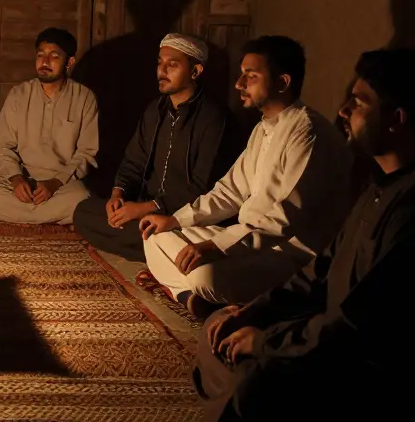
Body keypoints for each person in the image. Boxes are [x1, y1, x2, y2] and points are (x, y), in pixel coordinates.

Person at [193, 49, 415, 422]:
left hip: (368, 369)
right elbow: (321, 270)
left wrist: (266, 342)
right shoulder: (379, 185)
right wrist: (258, 310)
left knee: (254, 376)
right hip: (327, 338)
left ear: (397, 120)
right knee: (219, 328)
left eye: (358, 102)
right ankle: (251, 408)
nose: (342, 110)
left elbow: (359, 326)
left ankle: (259, 413)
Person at [140, 36, 351, 318]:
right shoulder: (263, 129)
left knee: (206, 275)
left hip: (285, 254)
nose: (239, 84)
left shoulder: (307, 132)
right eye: (241, 75)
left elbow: (283, 219)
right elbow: (231, 191)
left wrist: (215, 246)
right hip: (246, 240)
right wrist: (175, 220)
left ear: (282, 82)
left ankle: (192, 291)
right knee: (156, 236)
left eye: (250, 76)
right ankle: (191, 298)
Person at [74, 33, 240, 260]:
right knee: (83, 212)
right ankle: (161, 249)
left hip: (183, 216)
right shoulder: (154, 111)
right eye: (160, 63)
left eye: (172, 64)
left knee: (169, 231)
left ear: (195, 71)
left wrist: (145, 209)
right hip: (145, 210)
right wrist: (117, 195)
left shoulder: (214, 118)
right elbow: (134, 161)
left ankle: (163, 246)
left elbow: (203, 188)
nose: (162, 71)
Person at [0, 27, 99, 225]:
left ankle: (16, 217)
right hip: (23, 182)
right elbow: (3, 146)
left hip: (62, 185)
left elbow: (86, 153)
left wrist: (55, 184)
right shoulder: (18, 94)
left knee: (83, 197)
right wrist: (16, 179)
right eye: (41, 55)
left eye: (54, 56)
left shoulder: (84, 98)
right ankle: (46, 218)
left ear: (69, 62)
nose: (45, 62)